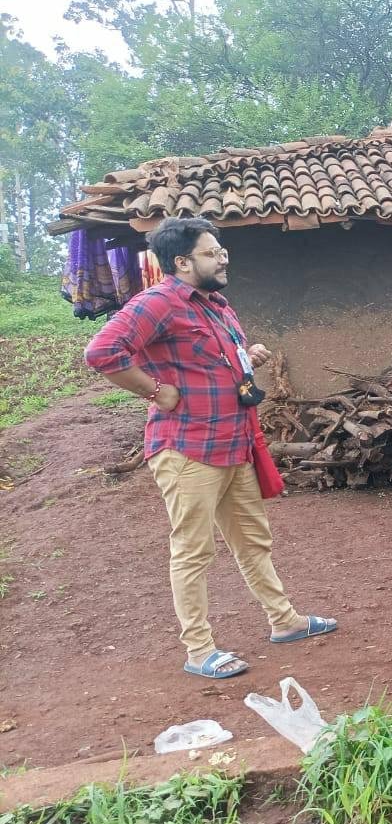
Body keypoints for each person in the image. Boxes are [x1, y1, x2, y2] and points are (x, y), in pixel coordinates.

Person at [84, 217, 337, 680]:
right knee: (193, 550)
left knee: (253, 541)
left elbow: (216, 358)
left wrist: (248, 355)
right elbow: (102, 352)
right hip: (187, 449)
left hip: (233, 443)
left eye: (221, 250)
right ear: (181, 262)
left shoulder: (216, 305)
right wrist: (155, 390)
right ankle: (199, 650)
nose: (223, 257)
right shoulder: (157, 302)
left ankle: (285, 621)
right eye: (211, 252)